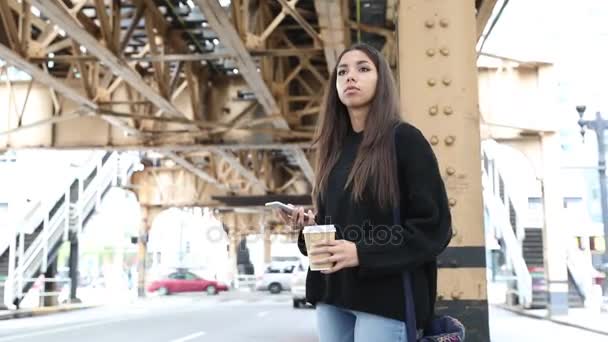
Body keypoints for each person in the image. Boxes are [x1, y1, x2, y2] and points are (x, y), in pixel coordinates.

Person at [276, 43, 452, 342]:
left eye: (363, 69)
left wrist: (361, 253)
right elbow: (338, 228)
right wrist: (310, 228)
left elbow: (434, 228)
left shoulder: (404, 140)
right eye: (342, 71)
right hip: (333, 295)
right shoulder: (334, 150)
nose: (350, 77)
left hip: (385, 298)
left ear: (381, 80)